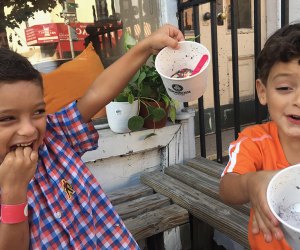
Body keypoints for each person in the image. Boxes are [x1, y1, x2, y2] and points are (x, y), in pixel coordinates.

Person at [0, 24, 184, 249]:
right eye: (7, 118)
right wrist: (14, 194)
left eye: (38, 111)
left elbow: (97, 93)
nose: (29, 129)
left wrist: (146, 46)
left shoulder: (54, 135)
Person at [219, 23, 300, 250]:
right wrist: (251, 182)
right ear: (263, 92)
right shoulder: (254, 141)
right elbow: (227, 187)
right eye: (285, 88)